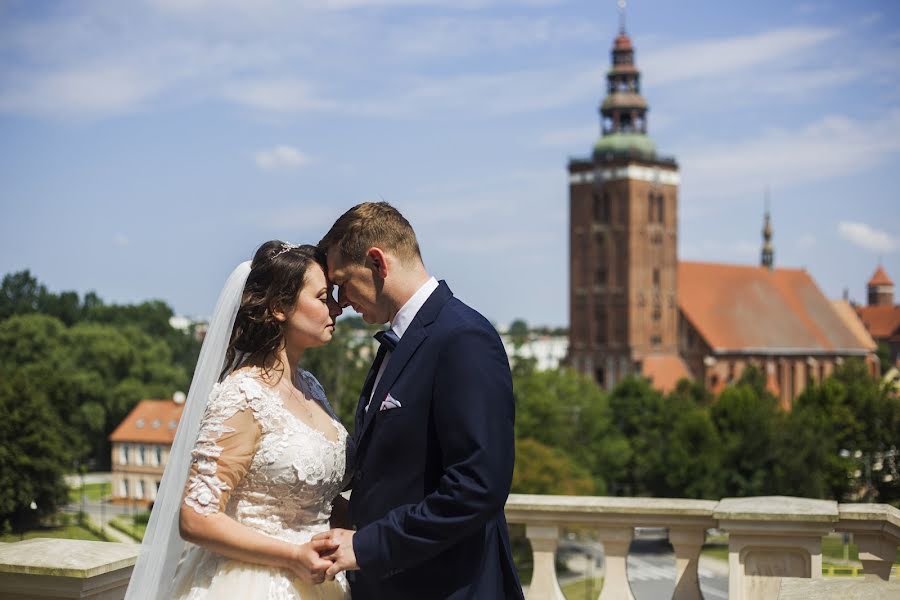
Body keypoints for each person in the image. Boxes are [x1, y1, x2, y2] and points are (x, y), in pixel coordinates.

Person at [314, 202, 524, 599]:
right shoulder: (401, 340)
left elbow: (478, 486)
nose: (339, 303)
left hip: (447, 587)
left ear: (377, 262)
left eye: (342, 281)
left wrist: (365, 545)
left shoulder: (463, 338)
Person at [125, 241, 350, 600]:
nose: (337, 308)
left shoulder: (311, 388)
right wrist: (292, 555)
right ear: (279, 307)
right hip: (251, 583)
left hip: (321, 582)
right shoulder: (242, 395)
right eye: (323, 297)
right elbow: (195, 518)